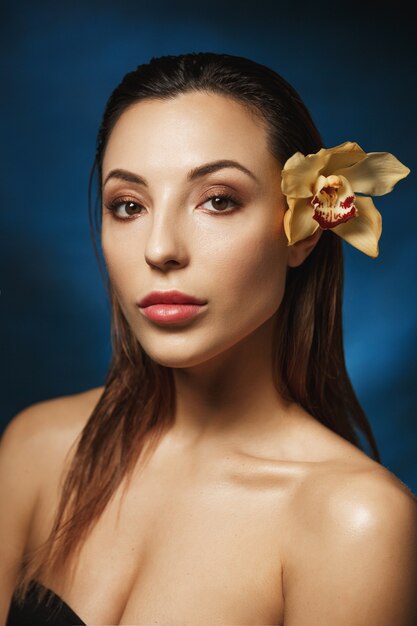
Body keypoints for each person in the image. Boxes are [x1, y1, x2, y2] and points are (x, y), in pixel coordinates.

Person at [1, 52, 416, 626]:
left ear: (304, 233)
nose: (160, 248)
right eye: (128, 205)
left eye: (218, 200)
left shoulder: (354, 522)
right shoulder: (35, 450)